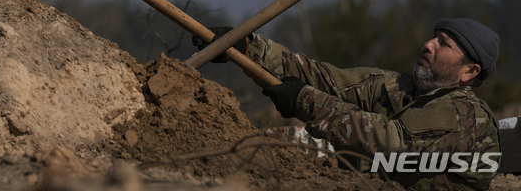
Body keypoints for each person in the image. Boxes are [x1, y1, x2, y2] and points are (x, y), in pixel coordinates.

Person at [193, 19, 501, 191]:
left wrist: (305, 101)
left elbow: (389, 141)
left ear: (469, 72)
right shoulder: (394, 87)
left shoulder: (464, 113)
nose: (428, 45)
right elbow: (321, 79)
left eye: (444, 44)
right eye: (433, 37)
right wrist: (246, 47)